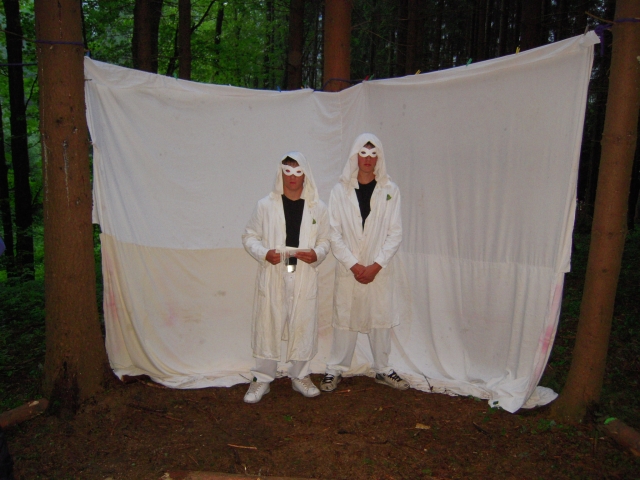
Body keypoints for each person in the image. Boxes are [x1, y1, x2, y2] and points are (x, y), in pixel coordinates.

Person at [321, 133, 410, 392]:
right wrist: (354, 265)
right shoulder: (340, 191)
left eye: (373, 154)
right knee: (345, 317)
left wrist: (375, 265)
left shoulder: (390, 191)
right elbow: (333, 233)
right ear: (355, 156)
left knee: (380, 318)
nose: (368, 159)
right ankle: (335, 368)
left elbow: (395, 233)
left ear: (379, 158)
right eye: (363, 153)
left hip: (379, 269)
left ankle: (383, 368)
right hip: (349, 268)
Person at [242, 151, 330, 403]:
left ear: (305, 174)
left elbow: (325, 239)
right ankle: (262, 378)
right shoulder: (265, 205)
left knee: (303, 323)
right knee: (268, 323)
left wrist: (316, 253)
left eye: (297, 171)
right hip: (274, 272)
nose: (292, 177)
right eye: (287, 171)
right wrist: (264, 253)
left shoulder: (318, 207)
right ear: (280, 173)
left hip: (302, 273)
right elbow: (249, 236)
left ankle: (300, 375)